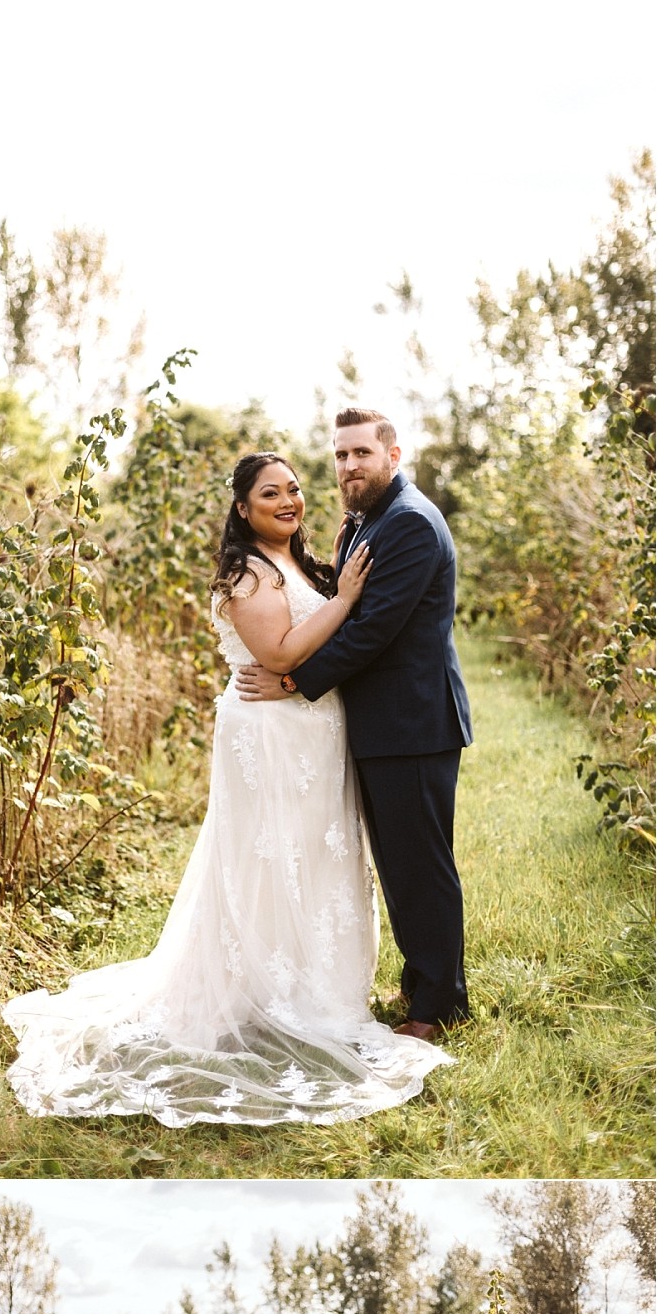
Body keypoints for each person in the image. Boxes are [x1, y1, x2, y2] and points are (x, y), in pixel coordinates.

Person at [2, 451, 452, 1125]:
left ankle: (319, 987)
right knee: (267, 855)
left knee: (317, 852)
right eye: (271, 493)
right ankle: (262, 990)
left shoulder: (303, 560)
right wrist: (349, 600)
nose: (289, 500)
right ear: (243, 508)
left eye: (296, 489)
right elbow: (278, 654)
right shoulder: (246, 572)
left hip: (313, 731)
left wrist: (336, 589)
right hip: (268, 732)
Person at [237, 410, 473, 1041]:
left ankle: (437, 1006)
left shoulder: (412, 526)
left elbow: (371, 631)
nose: (348, 466)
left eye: (361, 453)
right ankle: (422, 984)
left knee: (420, 867)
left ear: (393, 454)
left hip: (412, 724)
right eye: (340, 455)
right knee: (399, 865)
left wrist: (290, 681)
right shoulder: (370, 520)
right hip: (381, 725)